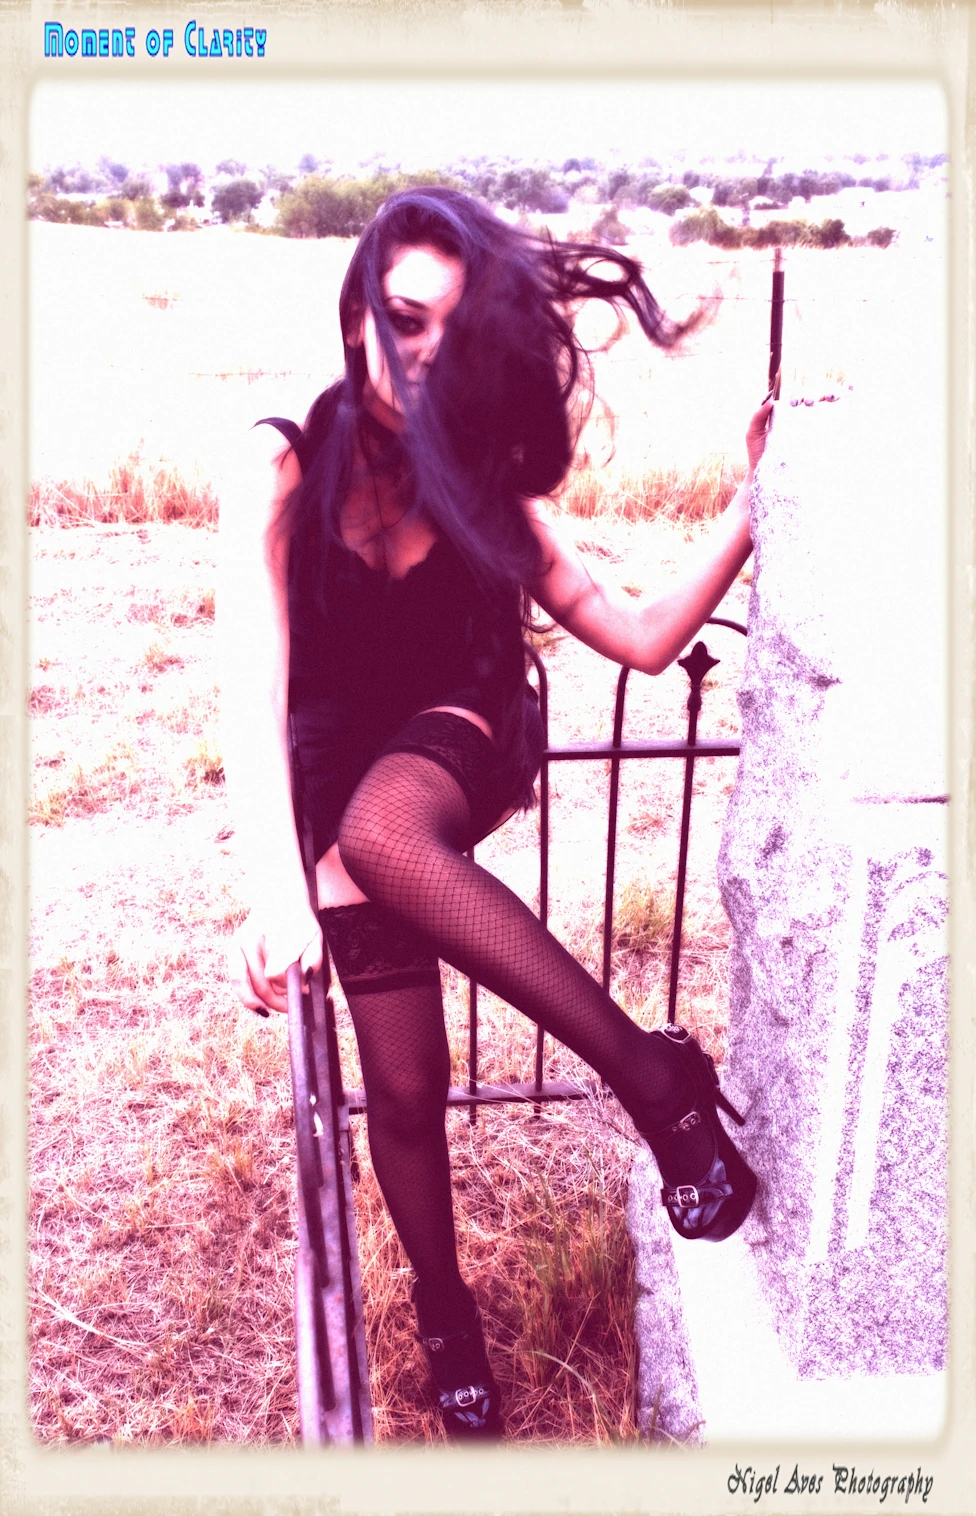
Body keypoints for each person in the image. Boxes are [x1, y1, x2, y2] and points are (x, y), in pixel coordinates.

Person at [221, 187, 772, 1441]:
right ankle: (445, 1310)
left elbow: (639, 632)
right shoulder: (277, 466)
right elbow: (249, 685)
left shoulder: (475, 483)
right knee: (404, 1086)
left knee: (386, 833)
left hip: (459, 735)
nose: (418, 352)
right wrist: (271, 885)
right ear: (356, 310)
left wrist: (757, 500)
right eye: (402, 318)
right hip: (333, 773)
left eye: (448, 332)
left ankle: (650, 1079)